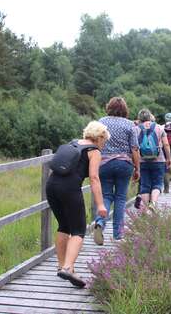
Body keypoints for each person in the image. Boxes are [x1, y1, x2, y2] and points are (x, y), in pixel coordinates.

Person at [46, 121, 109, 288]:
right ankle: (68, 268)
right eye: (105, 140)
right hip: (69, 189)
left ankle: (62, 266)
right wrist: (101, 205)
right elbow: (94, 178)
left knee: (64, 226)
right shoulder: (94, 151)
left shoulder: (72, 143)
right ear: (100, 137)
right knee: (79, 230)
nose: (105, 143)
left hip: (51, 186)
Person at [93, 97, 140, 244]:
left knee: (106, 196)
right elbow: (134, 148)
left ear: (109, 107)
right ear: (125, 109)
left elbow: (94, 143)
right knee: (120, 198)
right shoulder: (130, 125)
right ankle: (118, 234)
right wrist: (137, 168)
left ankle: (100, 222)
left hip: (104, 163)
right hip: (124, 164)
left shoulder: (102, 122)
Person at [136, 108, 171, 208]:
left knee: (144, 185)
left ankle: (147, 208)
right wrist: (169, 158)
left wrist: (134, 163)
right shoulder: (159, 128)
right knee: (157, 184)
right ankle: (153, 203)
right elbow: (166, 144)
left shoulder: (136, 129)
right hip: (158, 160)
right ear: (149, 116)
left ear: (139, 118)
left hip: (142, 161)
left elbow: (134, 147)